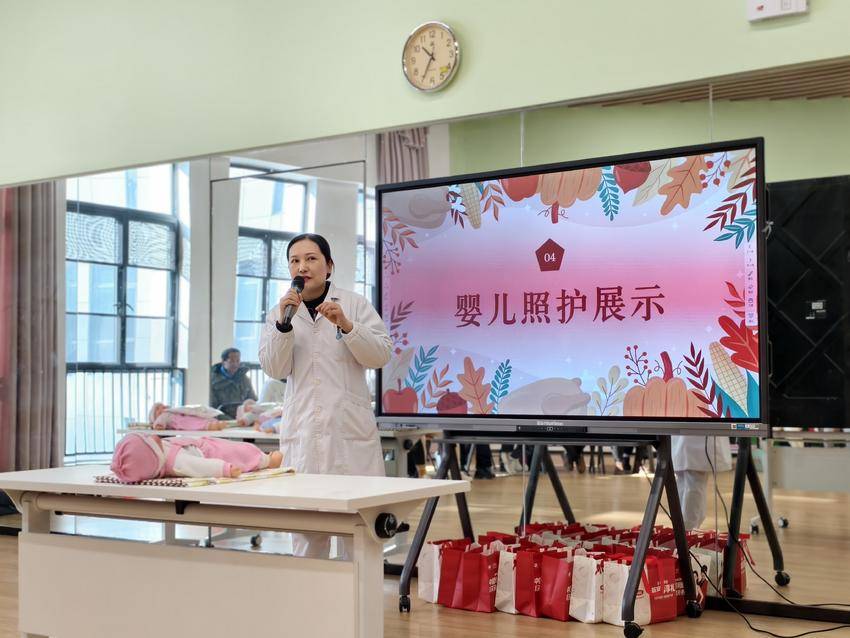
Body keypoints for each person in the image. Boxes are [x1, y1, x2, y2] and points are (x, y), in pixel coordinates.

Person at [110, 432, 283, 482]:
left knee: (237, 449)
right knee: (240, 452)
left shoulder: (162, 451)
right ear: (150, 455)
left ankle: (265, 458)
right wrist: (224, 469)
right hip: (211, 454)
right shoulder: (176, 461)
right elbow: (200, 467)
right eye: (148, 440)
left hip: (204, 444)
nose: (152, 436)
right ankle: (268, 461)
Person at [672, 435, 732, 530]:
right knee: (690, 481)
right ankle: (685, 530)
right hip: (689, 437)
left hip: (691, 437)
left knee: (689, 480)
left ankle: (685, 530)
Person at [210, 347, 257, 418]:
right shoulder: (213, 380)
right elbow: (212, 407)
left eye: (238, 361)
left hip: (243, 415)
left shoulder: (244, 379)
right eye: (232, 361)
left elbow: (253, 399)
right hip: (221, 416)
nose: (235, 364)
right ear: (223, 361)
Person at [148, 402, 227, 431]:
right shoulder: (164, 415)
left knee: (196, 419)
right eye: (157, 408)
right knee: (193, 423)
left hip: (182, 419)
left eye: (163, 405)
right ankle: (211, 425)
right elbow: (159, 421)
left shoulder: (170, 412)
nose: (162, 407)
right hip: (179, 421)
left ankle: (213, 422)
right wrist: (157, 425)